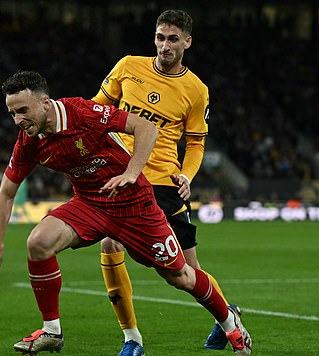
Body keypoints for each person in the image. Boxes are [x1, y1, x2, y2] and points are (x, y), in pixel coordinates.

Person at [0, 70, 252, 355]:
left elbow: (146, 128)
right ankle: (52, 331)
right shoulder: (28, 140)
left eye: (23, 110)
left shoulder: (82, 112)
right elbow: (5, 194)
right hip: (90, 203)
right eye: (12, 114)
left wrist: (132, 172)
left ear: (45, 102)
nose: (18, 120)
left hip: (134, 205)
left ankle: (230, 322)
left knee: (181, 276)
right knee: (38, 242)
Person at [92, 9, 238, 354]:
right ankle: (131, 339)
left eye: (173, 39)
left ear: (187, 42)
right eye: (160, 37)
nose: (164, 45)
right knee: (110, 244)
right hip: (122, 175)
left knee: (187, 271)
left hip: (163, 184)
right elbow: (97, 109)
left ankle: (226, 316)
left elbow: (197, 143)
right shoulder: (128, 66)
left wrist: (186, 174)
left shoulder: (196, 89)